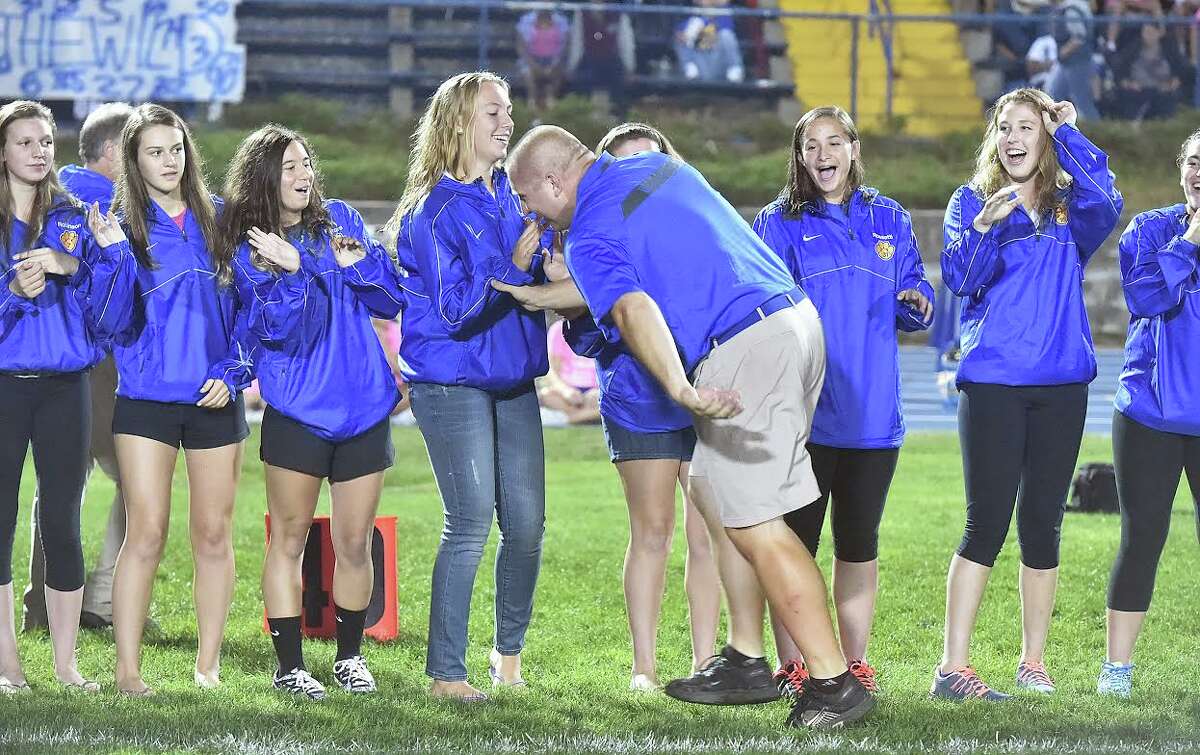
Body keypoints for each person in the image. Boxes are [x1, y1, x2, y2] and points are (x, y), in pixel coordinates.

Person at [506, 125, 876, 728]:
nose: (531, 213)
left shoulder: (590, 229)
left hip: (743, 345)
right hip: (794, 322)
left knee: (757, 524)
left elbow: (633, 308)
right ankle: (746, 659)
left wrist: (680, 388)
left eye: (529, 200)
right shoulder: (659, 169)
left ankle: (833, 680)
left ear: (553, 182)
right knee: (712, 485)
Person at [498, 122, 723, 692]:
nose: (634, 177)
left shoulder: (677, 215)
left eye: (645, 165)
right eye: (623, 165)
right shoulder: (583, 234)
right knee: (652, 531)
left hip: (700, 381)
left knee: (708, 534)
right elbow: (590, 328)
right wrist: (558, 295)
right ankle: (644, 667)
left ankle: (706, 661)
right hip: (635, 393)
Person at [935, 89, 1122, 701]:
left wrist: (1070, 130)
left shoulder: (1072, 206)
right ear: (995, 138)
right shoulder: (971, 201)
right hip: (993, 384)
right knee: (984, 523)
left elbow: (1109, 199)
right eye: (1004, 127)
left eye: (1027, 127)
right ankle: (952, 669)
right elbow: (960, 280)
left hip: (1062, 385)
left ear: (1044, 137)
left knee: (1043, 525)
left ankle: (1032, 662)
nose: (1013, 137)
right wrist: (986, 226)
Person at [753, 106, 934, 698]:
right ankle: (796, 666)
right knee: (794, 547)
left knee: (858, 546)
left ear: (854, 148)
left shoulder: (890, 217)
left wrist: (918, 299)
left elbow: (915, 289)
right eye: (811, 145)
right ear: (800, 156)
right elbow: (761, 307)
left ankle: (853, 663)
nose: (824, 155)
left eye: (835, 142)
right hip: (802, 418)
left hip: (872, 417)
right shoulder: (777, 224)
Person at [222, 124, 405, 700]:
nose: (303, 176)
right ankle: (290, 666)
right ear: (264, 180)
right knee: (291, 539)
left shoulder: (343, 220)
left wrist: (358, 267)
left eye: (306, 164)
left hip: (363, 408)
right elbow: (283, 329)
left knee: (355, 542)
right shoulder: (252, 251)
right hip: (298, 411)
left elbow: (391, 299)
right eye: (289, 168)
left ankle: (350, 658)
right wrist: (296, 272)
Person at [385, 72, 548, 702]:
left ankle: (507, 657)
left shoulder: (510, 193)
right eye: (493, 113)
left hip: (512, 378)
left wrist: (543, 259)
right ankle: (445, 675)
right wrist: (516, 262)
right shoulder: (434, 208)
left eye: (508, 111)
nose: (506, 122)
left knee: (529, 525)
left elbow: (531, 272)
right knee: (472, 520)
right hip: (451, 380)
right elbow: (455, 311)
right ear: (458, 122)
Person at [101, 104, 252, 695]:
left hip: (215, 396)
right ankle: (127, 672)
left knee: (213, 534)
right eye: (154, 152)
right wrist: (111, 258)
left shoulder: (221, 227)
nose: (169, 161)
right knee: (147, 533)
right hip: (146, 399)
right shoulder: (120, 231)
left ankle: (207, 667)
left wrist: (235, 371)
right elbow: (108, 321)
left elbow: (248, 314)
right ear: (134, 164)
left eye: (177, 149)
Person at [0, 99, 133, 694]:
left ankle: (67, 664)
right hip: (4, 386)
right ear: (3, 152)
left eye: (46, 141)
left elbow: (110, 316)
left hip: (65, 387)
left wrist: (85, 264)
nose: (38, 152)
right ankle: (7, 666)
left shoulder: (77, 215)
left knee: (63, 520)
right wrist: (14, 293)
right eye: (25, 142)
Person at [1098, 129, 1200, 698]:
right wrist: (1191, 239)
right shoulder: (1150, 229)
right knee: (1143, 538)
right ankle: (1117, 670)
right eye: (1194, 161)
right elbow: (1145, 300)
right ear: (1179, 168)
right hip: (1149, 414)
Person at [567, 0, 637, 117]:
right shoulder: (581, 13)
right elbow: (577, 43)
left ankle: (619, 120)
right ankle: (582, 118)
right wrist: (572, 67)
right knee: (580, 84)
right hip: (589, 59)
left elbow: (626, 43)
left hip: (611, 60)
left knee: (620, 87)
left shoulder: (618, 13)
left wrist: (630, 69)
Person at [538, 318, 601, 425]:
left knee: (603, 399)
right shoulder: (557, 329)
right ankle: (588, 416)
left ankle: (572, 418)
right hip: (568, 390)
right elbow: (552, 370)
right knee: (546, 395)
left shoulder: (601, 327)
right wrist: (565, 391)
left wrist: (597, 390)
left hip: (595, 390)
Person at [1046, 0, 1101, 121]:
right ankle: (1054, 131)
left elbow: (1079, 37)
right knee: (1052, 96)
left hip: (1078, 62)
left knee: (1083, 102)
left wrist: (1062, 53)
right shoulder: (1068, 7)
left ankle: (1098, 134)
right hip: (1066, 63)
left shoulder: (1072, 9)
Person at [674, 0, 745, 83]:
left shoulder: (726, 13)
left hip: (720, 64)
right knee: (682, 35)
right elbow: (679, 33)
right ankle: (690, 69)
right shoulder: (693, 18)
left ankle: (735, 68)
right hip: (701, 64)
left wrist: (703, 32)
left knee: (726, 34)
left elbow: (725, 28)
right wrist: (691, 34)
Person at [516, 10, 571, 112]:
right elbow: (521, 48)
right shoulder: (527, 23)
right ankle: (531, 102)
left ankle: (551, 100)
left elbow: (565, 47)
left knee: (558, 73)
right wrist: (534, 65)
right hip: (533, 59)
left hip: (554, 60)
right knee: (528, 74)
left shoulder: (561, 23)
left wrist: (554, 65)